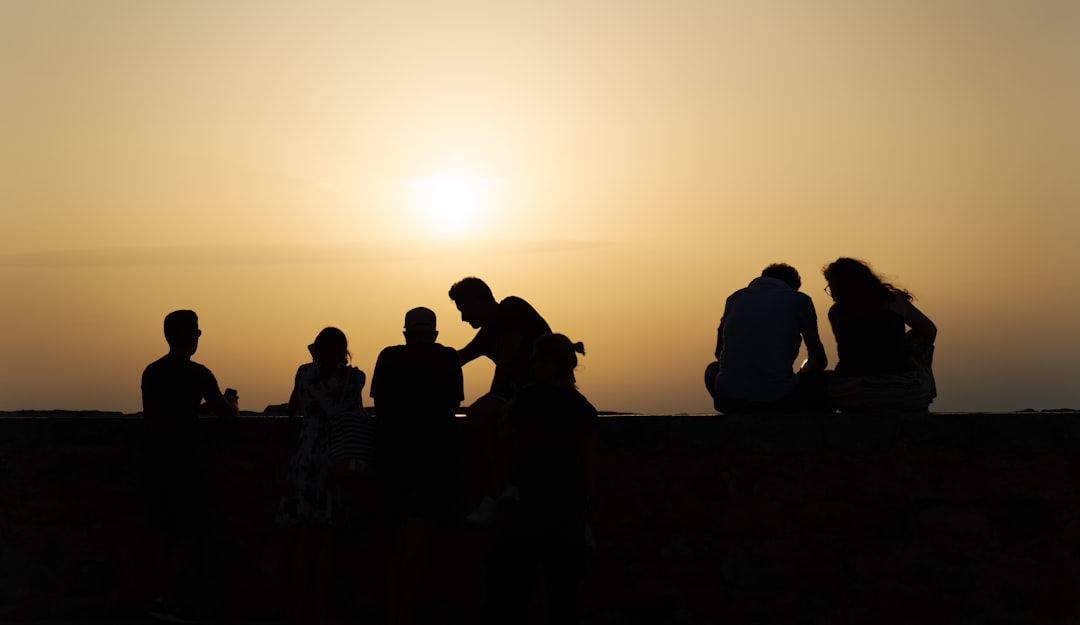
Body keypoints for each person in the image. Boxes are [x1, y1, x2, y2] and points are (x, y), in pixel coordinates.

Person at [482, 333, 598, 625]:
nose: (531, 362)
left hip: (526, 507)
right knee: (564, 598)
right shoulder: (583, 408)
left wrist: (491, 497)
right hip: (568, 510)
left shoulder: (525, 401)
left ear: (548, 363)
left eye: (535, 357)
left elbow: (506, 453)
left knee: (513, 595)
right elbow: (589, 465)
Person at [141, 309, 238, 624]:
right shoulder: (199, 374)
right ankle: (169, 598)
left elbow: (168, 410)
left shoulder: (151, 372)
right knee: (186, 532)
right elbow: (226, 414)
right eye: (197, 330)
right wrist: (231, 403)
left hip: (155, 460)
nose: (200, 335)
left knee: (161, 531)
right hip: (185, 462)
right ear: (191, 335)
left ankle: (158, 596)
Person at [370, 307, 464, 625]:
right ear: (435, 334)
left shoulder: (389, 357)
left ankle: (393, 613)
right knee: (421, 549)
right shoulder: (449, 359)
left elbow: (379, 406)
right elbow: (454, 406)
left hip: (391, 462)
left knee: (394, 547)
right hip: (433, 465)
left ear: (406, 334)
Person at [276, 327, 366, 625]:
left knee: (303, 539)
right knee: (328, 540)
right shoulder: (355, 377)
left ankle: (300, 610)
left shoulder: (304, 372)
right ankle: (322, 611)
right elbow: (356, 412)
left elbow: (293, 409)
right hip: (334, 457)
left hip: (305, 457)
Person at [448, 277, 551, 462]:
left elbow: (507, 358)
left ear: (476, 301)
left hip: (541, 388)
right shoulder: (489, 331)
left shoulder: (512, 308)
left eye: (464, 310)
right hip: (520, 391)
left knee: (479, 414)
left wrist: (494, 395)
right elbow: (460, 358)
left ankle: (499, 472)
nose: (463, 318)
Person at [704, 263, 830, 414]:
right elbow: (819, 360)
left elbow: (719, 353)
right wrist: (801, 373)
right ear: (793, 286)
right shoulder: (799, 300)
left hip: (729, 401)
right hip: (779, 400)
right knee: (825, 379)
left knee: (712, 370)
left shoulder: (734, 298)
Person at [823, 257, 937, 412]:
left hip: (849, 394)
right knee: (923, 347)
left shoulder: (835, 313)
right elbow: (930, 331)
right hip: (902, 392)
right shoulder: (894, 301)